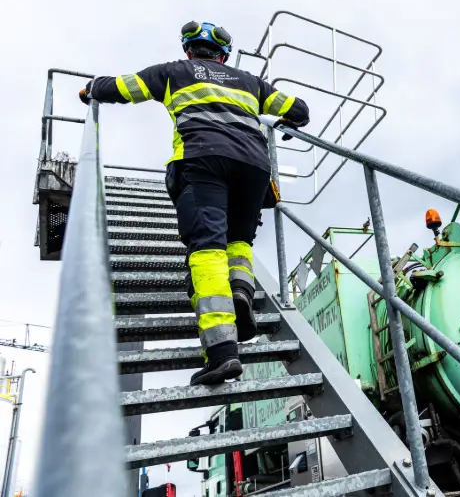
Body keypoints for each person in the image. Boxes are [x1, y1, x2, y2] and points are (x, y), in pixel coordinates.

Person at [80, 21, 309, 385]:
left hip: (202, 160)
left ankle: (221, 352)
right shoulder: (251, 82)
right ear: (224, 55)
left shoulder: (173, 72)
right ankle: (240, 292)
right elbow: (299, 109)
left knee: (207, 248)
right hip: (254, 166)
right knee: (239, 241)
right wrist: (286, 120)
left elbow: (121, 88)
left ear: (189, 50)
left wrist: (91, 89)